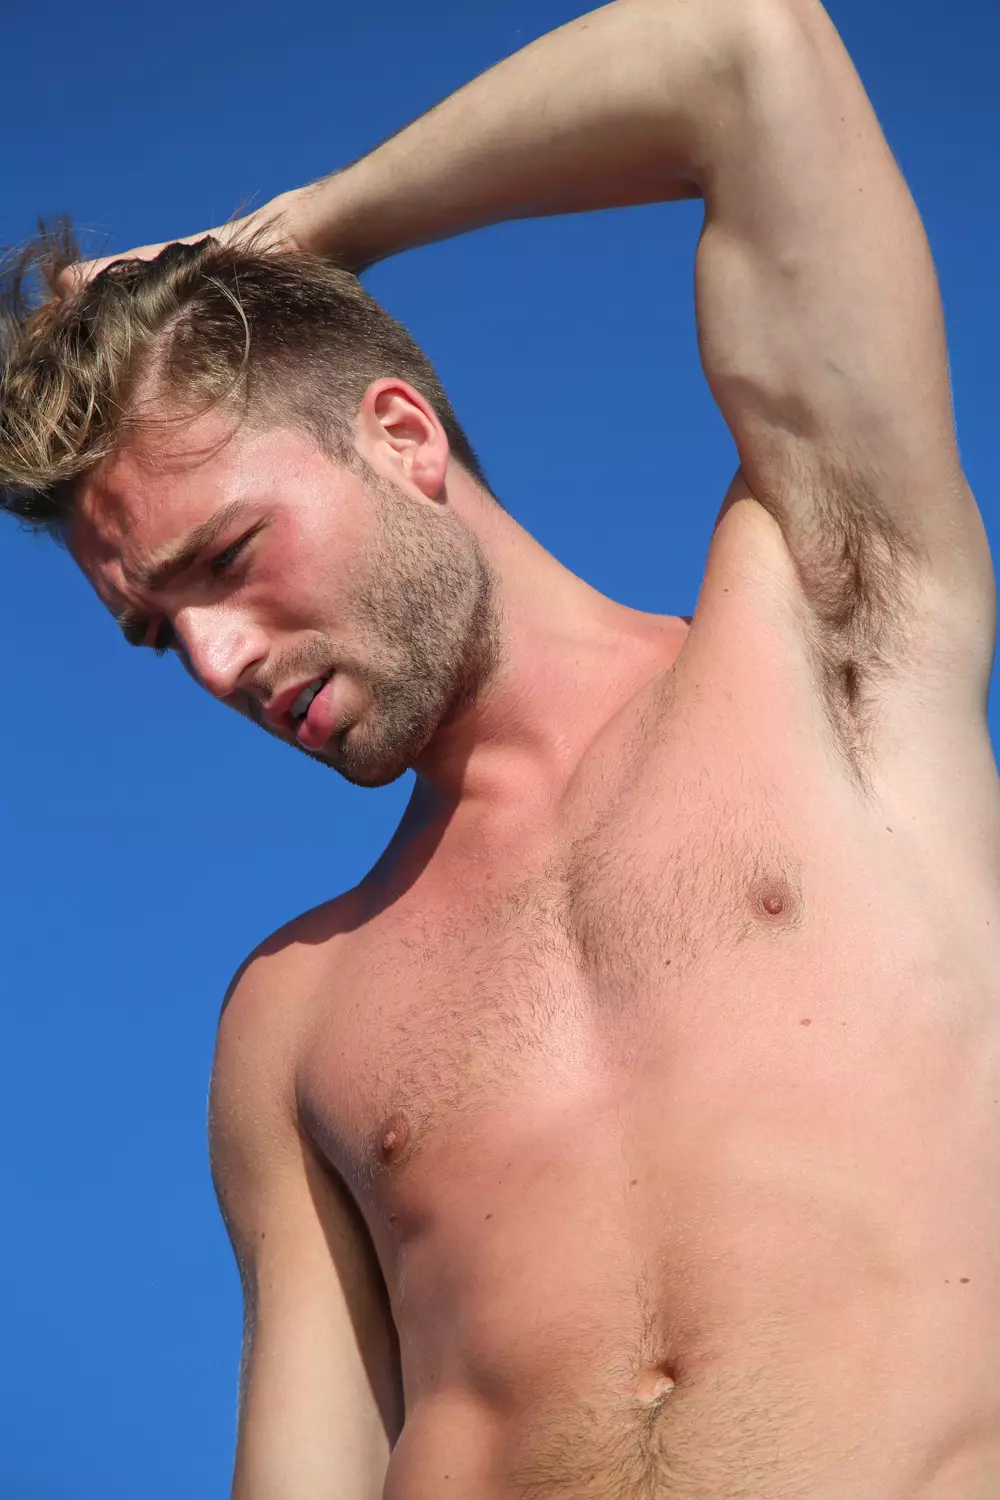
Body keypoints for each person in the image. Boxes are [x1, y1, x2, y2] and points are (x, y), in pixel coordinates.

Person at [3, 0, 998, 1494]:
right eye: (158, 632)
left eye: (223, 558)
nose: (211, 660)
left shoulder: (826, 642)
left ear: (401, 436)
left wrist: (316, 225)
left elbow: (745, 50)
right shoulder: (291, 1024)